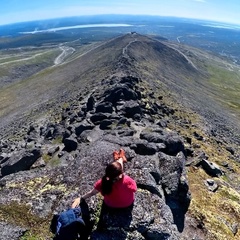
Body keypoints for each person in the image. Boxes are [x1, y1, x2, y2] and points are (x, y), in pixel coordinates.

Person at [72, 149, 137, 209]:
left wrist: (81, 198)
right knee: (119, 168)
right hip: (127, 203)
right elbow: (134, 189)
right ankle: (121, 158)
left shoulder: (102, 182)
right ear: (120, 175)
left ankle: (119, 159)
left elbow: (92, 193)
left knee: (117, 168)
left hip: (110, 205)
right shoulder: (126, 180)